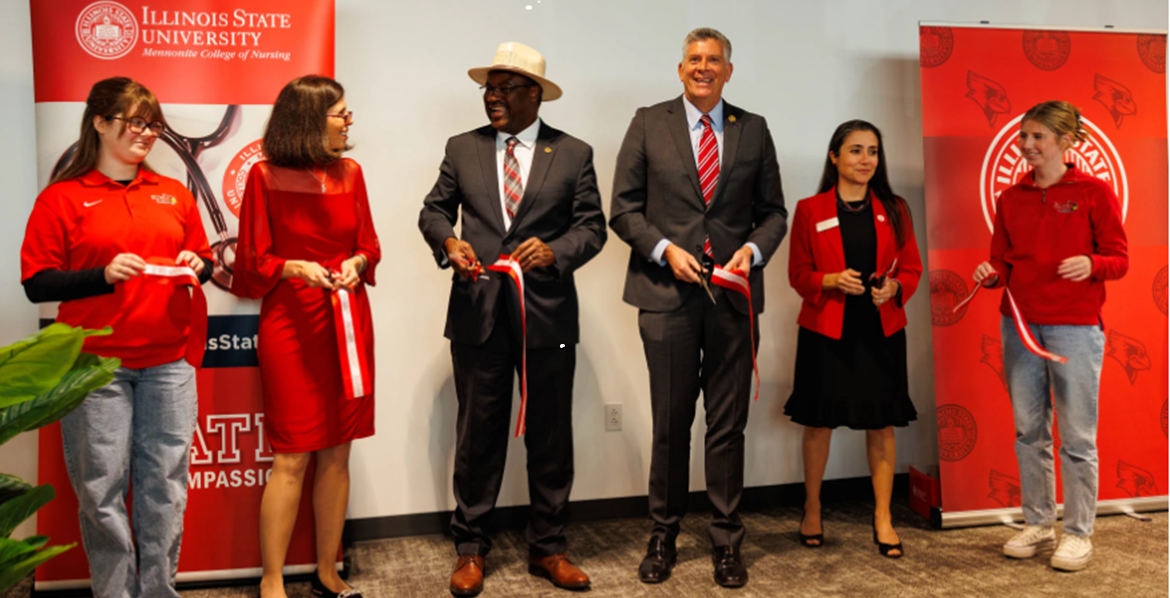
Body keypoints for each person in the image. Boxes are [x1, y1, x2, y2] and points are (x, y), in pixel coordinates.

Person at [418, 42, 606, 597]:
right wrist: (448, 241)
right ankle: (471, 548)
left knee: (550, 436)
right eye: (488, 89)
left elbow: (591, 227)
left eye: (504, 89)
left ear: (535, 95)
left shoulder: (572, 153)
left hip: (546, 315)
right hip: (477, 312)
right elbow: (433, 209)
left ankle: (548, 548)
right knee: (478, 436)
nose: (492, 98)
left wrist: (556, 251)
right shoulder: (463, 147)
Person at [20, 77, 211, 598]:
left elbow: (203, 261)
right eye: (134, 122)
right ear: (100, 123)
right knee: (100, 492)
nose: (147, 133)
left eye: (153, 123)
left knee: (165, 488)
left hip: (169, 363)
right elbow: (37, 282)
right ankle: (114, 593)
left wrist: (202, 263)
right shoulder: (61, 198)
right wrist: (100, 276)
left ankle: (157, 590)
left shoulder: (173, 193)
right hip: (94, 365)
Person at [609, 28, 787, 588]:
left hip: (732, 297)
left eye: (714, 61)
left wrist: (752, 253)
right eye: (694, 60)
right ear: (679, 68)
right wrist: (665, 252)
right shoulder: (647, 122)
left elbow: (774, 213)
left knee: (726, 427)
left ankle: (727, 540)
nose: (703, 68)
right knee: (670, 423)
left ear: (728, 71)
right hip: (665, 297)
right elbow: (624, 209)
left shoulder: (752, 129)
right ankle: (662, 534)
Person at [231, 75, 381, 598]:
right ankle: (272, 580)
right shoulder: (264, 177)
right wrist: (293, 267)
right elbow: (251, 262)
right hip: (291, 325)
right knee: (292, 455)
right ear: (309, 118)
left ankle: (327, 570)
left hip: (347, 318)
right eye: (341, 112)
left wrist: (358, 263)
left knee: (339, 452)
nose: (349, 120)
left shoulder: (352, 173)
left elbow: (369, 244)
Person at [973, 100, 1127, 572]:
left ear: (1066, 141)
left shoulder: (1095, 192)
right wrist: (990, 273)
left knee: (1077, 437)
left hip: (1076, 329)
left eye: (1038, 136)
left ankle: (1079, 533)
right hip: (1019, 324)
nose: (1027, 146)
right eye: (1024, 136)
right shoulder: (1010, 198)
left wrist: (1092, 264)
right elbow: (1002, 259)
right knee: (1028, 431)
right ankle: (1039, 522)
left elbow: (1119, 259)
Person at [785, 120, 922, 559]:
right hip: (827, 330)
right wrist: (829, 279)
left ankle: (882, 517)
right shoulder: (810, 208)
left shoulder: (896, 208)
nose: (866, 160)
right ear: (835, 157)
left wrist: (895, 288)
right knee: (818, 422)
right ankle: (812, 508)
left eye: (873, 152)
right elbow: (797, 274)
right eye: (856, 151)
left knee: (881, 425)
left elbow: (912, 269)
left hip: (879, 331)